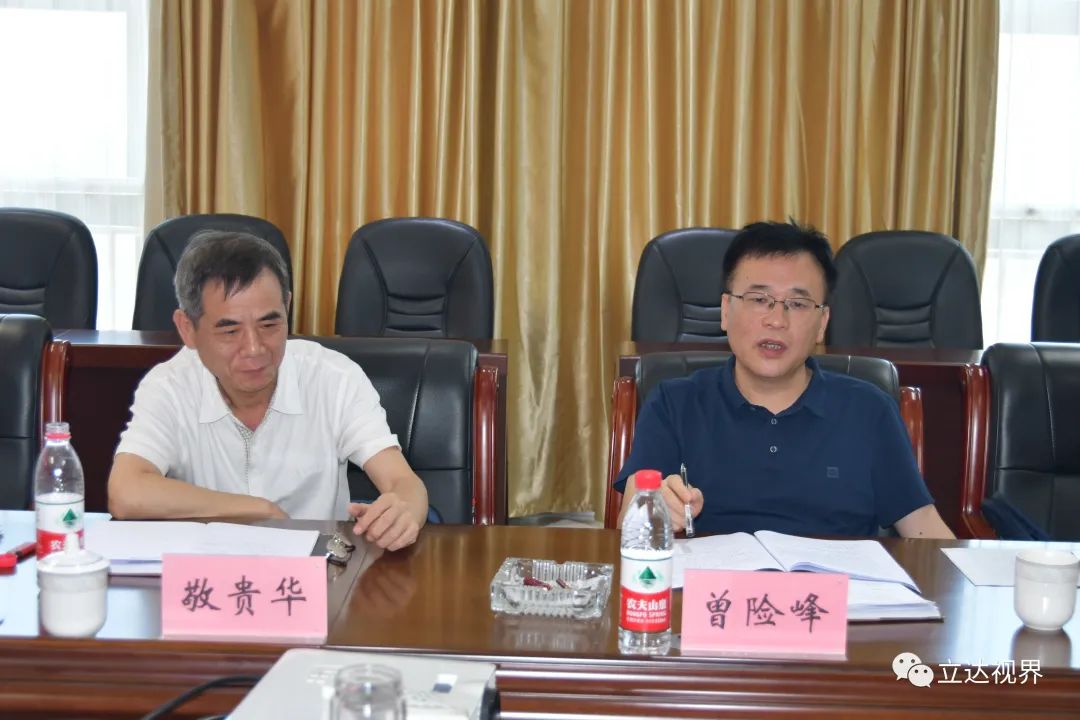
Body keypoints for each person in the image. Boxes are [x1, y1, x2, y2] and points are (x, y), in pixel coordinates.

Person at [615, 220, 955, 539]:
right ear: (725, 311)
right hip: (711, 584)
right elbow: (630, 523)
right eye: (759, 299)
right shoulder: (673, 403)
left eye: (798, 303)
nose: (777, 320)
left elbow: (924, 531)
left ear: (822, 323)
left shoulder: (870, 410)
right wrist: (655, 507)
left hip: (838, 585)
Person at [108, 230, 428, 551]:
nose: (255, 348)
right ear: (187, 329)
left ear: (287, 306)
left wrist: (403, 510)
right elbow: (126, 492)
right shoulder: (170, 386)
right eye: (230, 331)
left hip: (320, 570)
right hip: (211, 572)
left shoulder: (334, 378)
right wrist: (258, 510)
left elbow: (403, 483)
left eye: (269, 324)